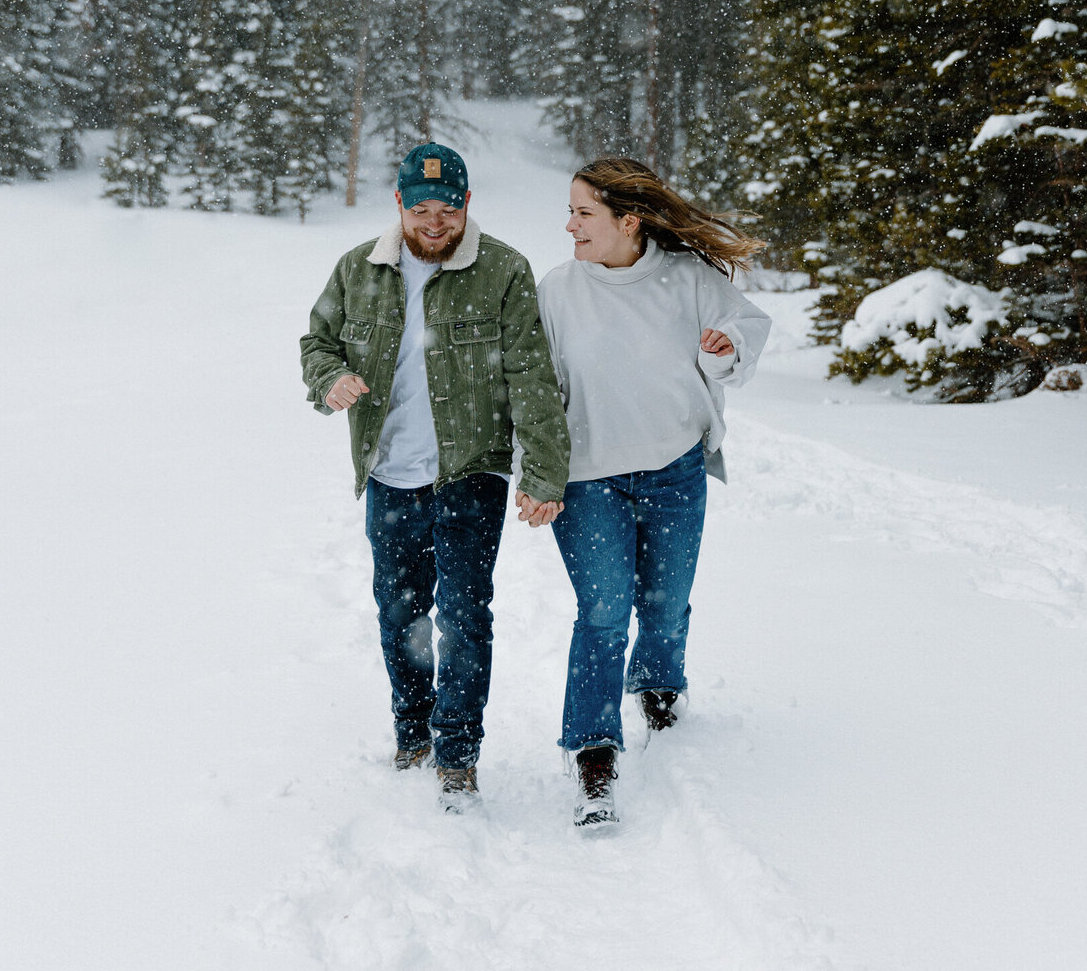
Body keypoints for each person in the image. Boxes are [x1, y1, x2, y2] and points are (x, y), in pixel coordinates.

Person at [301, 142, 569, 810]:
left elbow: (532, 379)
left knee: (464, 616)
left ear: (466, 205)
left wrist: (544, 473)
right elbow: (318, 343)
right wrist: (331, 379)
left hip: (469, 472)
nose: (433, 222)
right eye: (420, 209)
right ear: (399, 205)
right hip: (390, 475)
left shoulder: (503, 270)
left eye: (447, 209)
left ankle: (457, 752)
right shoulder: (359, 270)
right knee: (400, 613)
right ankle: (412, 731)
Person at [535, 157, 770, 829]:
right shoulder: (557, 290)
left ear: (628, 220)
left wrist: (725, 347)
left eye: (584, 212)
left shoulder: (685, 280)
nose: (571, 224)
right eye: (571, 211)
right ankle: (593, 751)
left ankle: (659, 679)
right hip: (588, 477)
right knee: (604, 610)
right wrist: (538, 472)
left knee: (664, 604)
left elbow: (744, 334)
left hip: (674, 469)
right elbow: (531, 386)